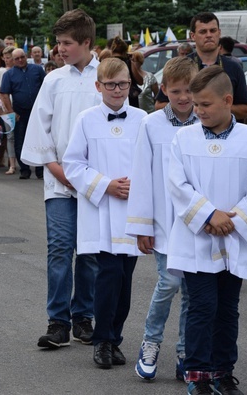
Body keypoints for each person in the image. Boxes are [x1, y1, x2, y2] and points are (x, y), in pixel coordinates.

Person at [166, 66, 247, 395]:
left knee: (228, 308)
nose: (197, 110)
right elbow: (177, 184)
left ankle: (223, 371)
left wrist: (234, 220)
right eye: (195, 105)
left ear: (228, 101)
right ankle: (196, 373)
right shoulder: (183, 138)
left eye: (204, 105)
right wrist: (209, 214)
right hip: (197, 237)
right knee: (201, 306)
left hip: (233, 237)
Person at [21, 9, 101, 349]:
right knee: (59, 250)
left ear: (85, 42)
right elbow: (41, 130)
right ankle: (57, 321)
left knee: (90, 252)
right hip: (59, 182)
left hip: (96, 184)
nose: (59, 49)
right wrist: (57, 170)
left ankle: (83, 316)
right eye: (57, 43)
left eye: (66, 43)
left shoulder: (107, 76)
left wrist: (93, 178)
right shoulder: (54, 80)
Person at [62, 58, 147, 369]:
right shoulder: (86, 120)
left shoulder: (142, 119)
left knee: (125, 280)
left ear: (130, 85)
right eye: (110, 84)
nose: (117, 90)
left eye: (123, 84)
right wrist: (106, 185)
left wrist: (136, 187)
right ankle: (101, 340)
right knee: (108, 276)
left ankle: (114, 338)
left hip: (133, 211)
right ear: (98, 86)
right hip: (101, 210)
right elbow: (73, 164)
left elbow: (150, 163)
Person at [124, 57, 199, 381]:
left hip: (196, 224)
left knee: (192, 289)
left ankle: (185, 351)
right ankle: (151, 342)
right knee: (169, 282)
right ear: (164, 90)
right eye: (176, 91)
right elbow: (141, 176)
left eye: (188, 91)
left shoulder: (204, 124)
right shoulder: (152, 125)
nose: (183, 97)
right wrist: (142, 225)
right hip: (163, 223)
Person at [154, 13, 247, 121]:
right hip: (188, 132)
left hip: (224, 134)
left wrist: (216, 106)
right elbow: (159, 105)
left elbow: (246, 110)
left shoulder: (233, 66)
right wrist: (193, 106)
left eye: (213, 30)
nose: (209, 35)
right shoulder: (181, 65)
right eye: (203, 31)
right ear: (193, 36)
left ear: (219, 33)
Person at [0, 48, 45, 180]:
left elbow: (45, 88)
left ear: (26, 57)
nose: (20, 60)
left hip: (37, 112)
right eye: (17, 58)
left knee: (39, 141)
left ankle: (40, 169)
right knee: (20, 141)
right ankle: (24, 169)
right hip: (20, 113)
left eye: (22, 57)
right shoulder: (8, 74)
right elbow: (4, 94)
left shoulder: (37, 70)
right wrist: (11, 112)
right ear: (13, 60)